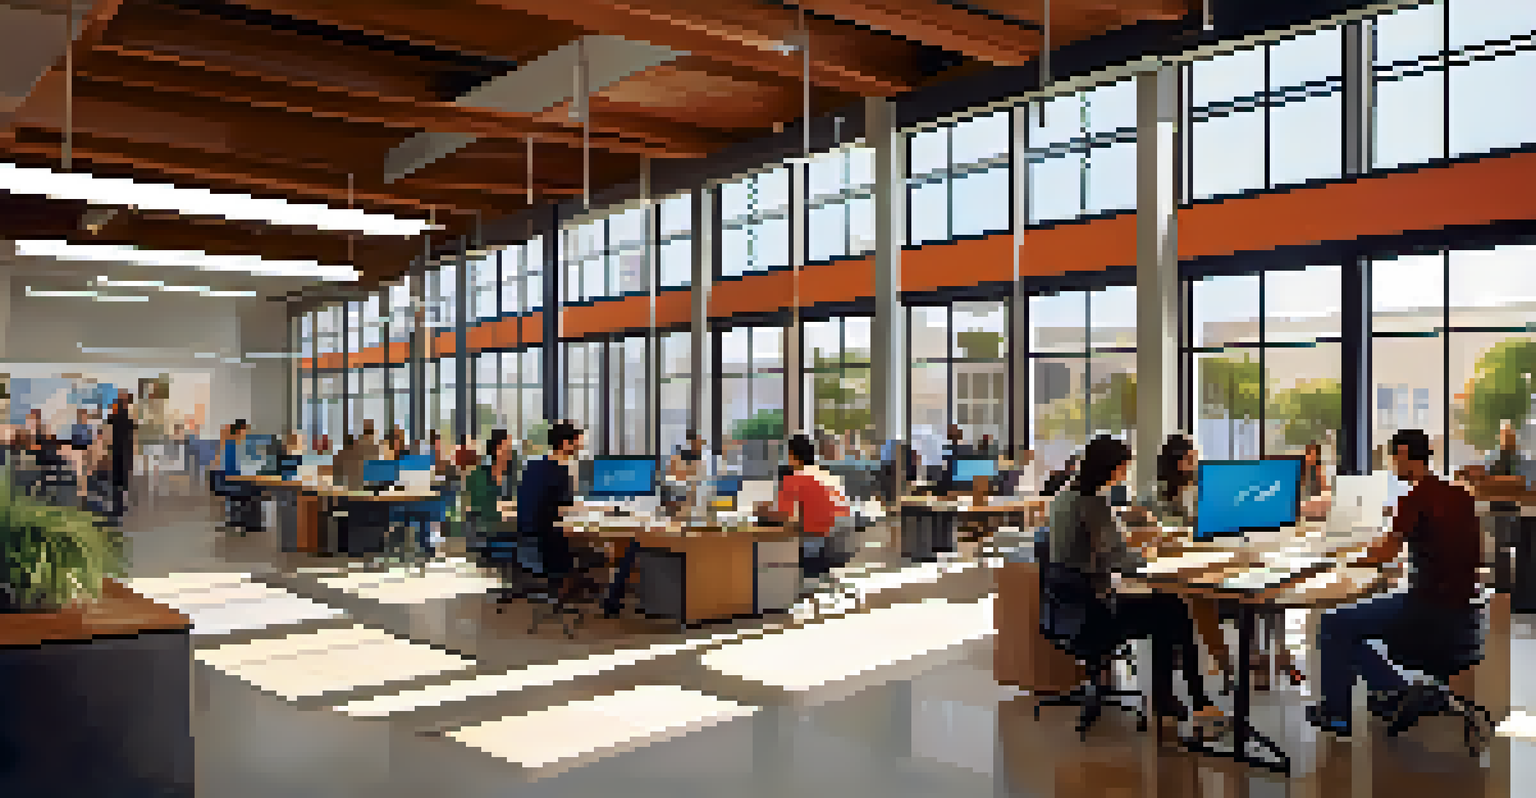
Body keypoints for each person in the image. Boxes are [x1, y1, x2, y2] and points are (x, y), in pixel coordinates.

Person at [1306, 428, 1482, 735]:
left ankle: (1339, 713)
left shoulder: (1415, 498)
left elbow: (1384, 554)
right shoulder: (1459, 494)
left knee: (1335, 624)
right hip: (1463, 611)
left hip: (1428, 609)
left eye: (1392, 457)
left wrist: (1343, 560)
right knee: (1351, 628)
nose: (1391, 465)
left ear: (1403, 454)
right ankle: (1393, 692)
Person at [1045, 434, 1224, 728]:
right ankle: (1196, 700)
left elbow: (1101, 550)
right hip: (1096, 611)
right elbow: (1119, 559)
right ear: (1111, 467)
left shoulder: (1065, 496)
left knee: (1167, 608)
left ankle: (1172, 698)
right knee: (1174, 608)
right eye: (1123, 467)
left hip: (1068, 606)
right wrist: (1152, 558)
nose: (1125, 473)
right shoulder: (1094, 504)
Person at [517, 421, 605, 599]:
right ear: (565, 444)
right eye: (576, 442)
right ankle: (567, 587)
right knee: (601, 548)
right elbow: (565, 508)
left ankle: (566, 585)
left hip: (529, 539)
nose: (579, 447)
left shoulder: (533, 466)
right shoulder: (560, 471)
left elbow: (549, 505)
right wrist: (602, 508)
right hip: (550, 542)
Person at [757, 434, 851, 579]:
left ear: (793, 455)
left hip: (810, 548)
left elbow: (784, 514)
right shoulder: (828, 476)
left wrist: (762, 511)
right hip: (836, 547)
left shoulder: (794, 479)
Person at [107, 393, 136, 519]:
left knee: (117, 483)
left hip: (118, 454)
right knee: (123, 482)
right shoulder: (128, 419)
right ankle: (122, 507)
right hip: (125, 454)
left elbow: (109, 421)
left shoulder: (115, 417)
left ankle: (117, 509)